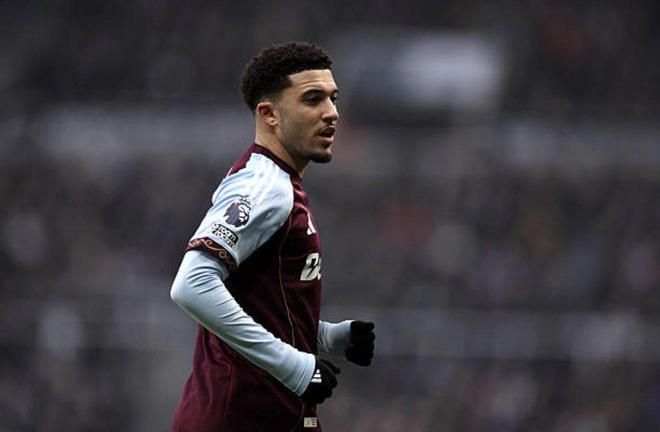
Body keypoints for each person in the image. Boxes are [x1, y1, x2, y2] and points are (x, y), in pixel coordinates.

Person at [170, 42, 376, 432]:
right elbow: (192, 284)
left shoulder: (281, 184)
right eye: (313, 99)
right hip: (238, 418)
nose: (332, 113)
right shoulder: (263, 186)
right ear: (269, 114)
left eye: (333, 99)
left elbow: (259, 302)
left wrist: (327, 337)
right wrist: (294, 366)